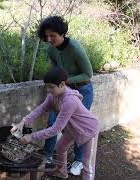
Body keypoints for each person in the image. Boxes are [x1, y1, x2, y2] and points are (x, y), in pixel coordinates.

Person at [11, 67, 99, 179]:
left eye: (51, 87)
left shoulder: (70, 101)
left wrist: (31, 137)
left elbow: (56, 129)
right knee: (60, 147)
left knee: (87, 165)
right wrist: (23, 122)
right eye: (46, 86)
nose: (48, 90)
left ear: (62, 84)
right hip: (72, 129)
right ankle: (62, 172)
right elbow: (41, 109)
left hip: (88, 130)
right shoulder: (52, 96)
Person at [37, 15, 94, 175]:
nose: (49, 39)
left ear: (62, 33)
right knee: (52, 121)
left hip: (83, 89)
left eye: (52, 35)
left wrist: (65, 81)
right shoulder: (51, 49)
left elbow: (88, 74)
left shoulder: (75, 48)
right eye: (46, 36)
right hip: (62, 90)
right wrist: (57, 84)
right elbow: (56, 69)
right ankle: (48, 156)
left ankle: (78, 161)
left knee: (78, 127)